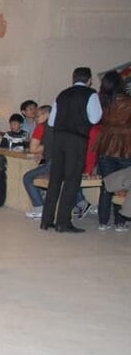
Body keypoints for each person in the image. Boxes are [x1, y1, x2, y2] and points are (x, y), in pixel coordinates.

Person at [40, 67, 102, 233]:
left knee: (55, 180)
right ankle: (63, 222)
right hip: (76, 140)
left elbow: (51, 122)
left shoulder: (62, 94)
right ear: (89, 80)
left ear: (73, 79)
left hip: (58, 140)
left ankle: (46, 220)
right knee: (72, 180)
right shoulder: (91, 94)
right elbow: (96, 118)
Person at [94, 75, 131, 232]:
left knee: (107, 184)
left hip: (105, 145)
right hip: (125, 146)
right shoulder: (128, 102)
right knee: (122, 184)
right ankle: (119, 221)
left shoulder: (102, 102)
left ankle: (103, 221)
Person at [22, 105, 52, 219]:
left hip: (53, 162)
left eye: (38, 116)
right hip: (65, 161)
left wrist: (44, 148)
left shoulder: (42, 127)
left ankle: (39, 208)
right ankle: (81, 203)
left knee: (28, 177)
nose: (36, 119)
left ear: (47, 114)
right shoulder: (60, 126)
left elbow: (33, 149)